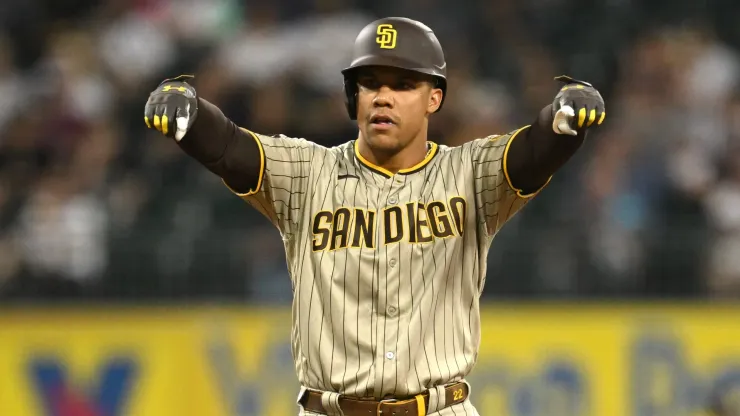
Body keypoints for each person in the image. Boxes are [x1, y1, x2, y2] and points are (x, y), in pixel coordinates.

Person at [144, 16, 605, 416]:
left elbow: (532, 152)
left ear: (434, 99)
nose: (383, 97)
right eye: (370, 84)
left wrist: (564, 120)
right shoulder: (307, 173)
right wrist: (189, 109)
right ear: (353, 97)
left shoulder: (468, 173)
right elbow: (230, 148)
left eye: (403, 84)